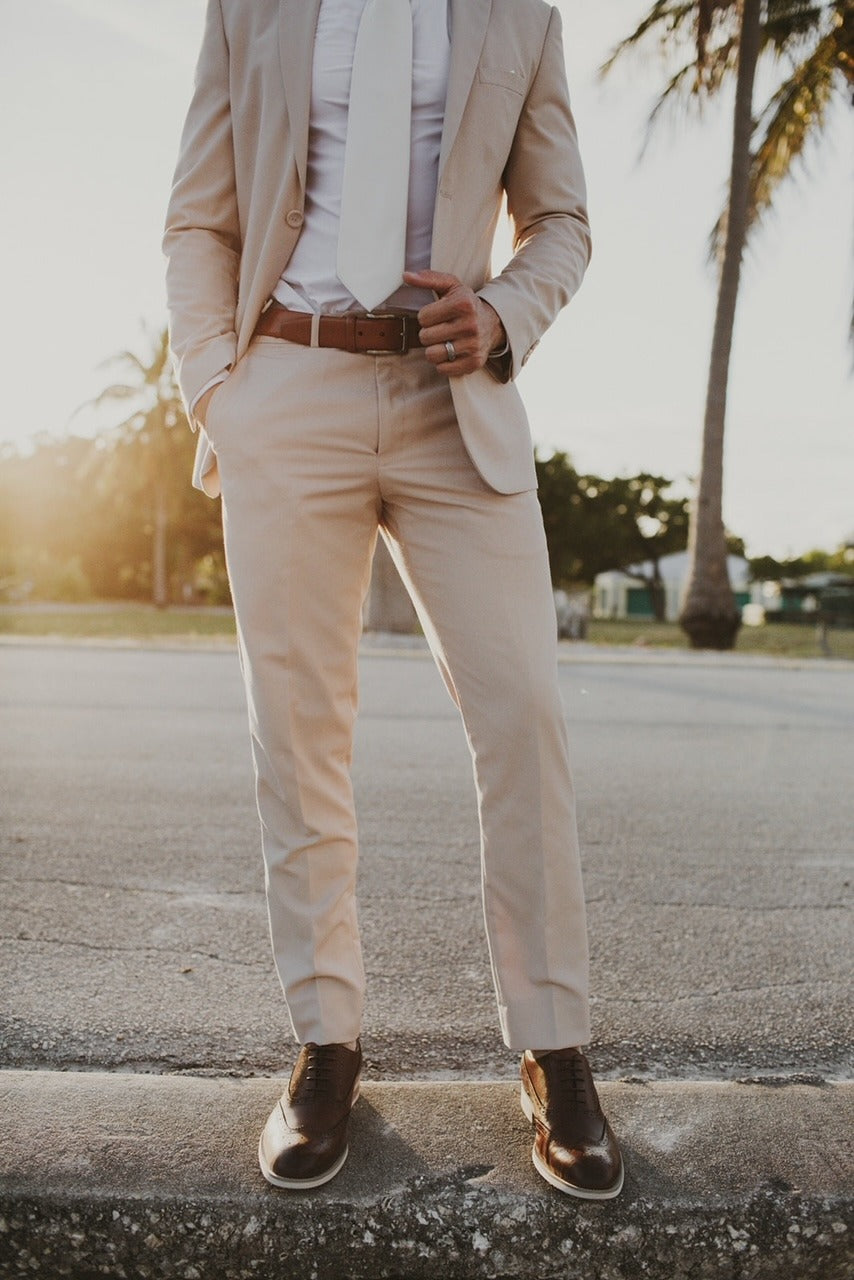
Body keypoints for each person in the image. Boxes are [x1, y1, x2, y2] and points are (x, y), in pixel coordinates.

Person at [163, 0, 622, 1200]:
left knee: (523, 712)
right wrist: (218, 389)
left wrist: (506, 312)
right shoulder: (246, 9)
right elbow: (198, 215)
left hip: (450, 400)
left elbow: (560, 221)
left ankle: (552, 1047)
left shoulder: (519, 16)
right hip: (286, 383)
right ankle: (324, 1042)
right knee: (299, 727)